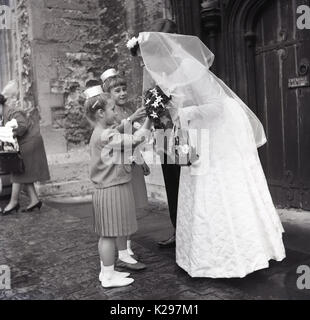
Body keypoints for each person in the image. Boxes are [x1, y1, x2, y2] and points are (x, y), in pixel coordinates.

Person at [133, 31, 286, 278]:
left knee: (219, 185)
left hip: (219, 133)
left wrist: (180, 112)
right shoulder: (164, 75)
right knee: (196, 182)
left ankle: (240, 253)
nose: (143, 64)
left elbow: (216, 107)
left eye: (145, 58)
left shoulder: (191, 68)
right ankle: (201, 253)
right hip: (198, 132)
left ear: (161, 52)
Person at [85, 85, 151, 288]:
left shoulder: (101, 131)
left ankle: (109, 272)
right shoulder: (106, 135)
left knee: (110, 233)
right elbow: (136, 138)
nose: (115, 113)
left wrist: (131, 121)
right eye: (112, 109)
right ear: (100, 113)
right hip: (111, 189)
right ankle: (107, 276)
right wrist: (150, 119)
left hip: (110, 187)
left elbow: (117, 130)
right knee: (108, 234)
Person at [101, 69, 150, 263]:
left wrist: (141, 159)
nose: (122, 93)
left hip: (132, 162)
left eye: (124, 89)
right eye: (117, 90)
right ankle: (123, 249)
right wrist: (132, 119)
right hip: (119, 165)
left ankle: (127, 246)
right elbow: (113, 134)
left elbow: (133, 139)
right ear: (108, 94)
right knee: (123, 208)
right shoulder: (109, 113)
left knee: (133, 207)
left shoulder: (129, 110)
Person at [143, 19, 180, 248]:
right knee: (172, 181)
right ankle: (178, 230)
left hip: (185, 131)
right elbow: (148, 99)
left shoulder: (183, 64)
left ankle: (193, 231)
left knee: (187, 181)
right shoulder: (150, 66)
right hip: (163, 133)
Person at [0, 80, 50, 215]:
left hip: (30, 142)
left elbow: (22, 126)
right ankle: (34, 200)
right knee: (23, 172)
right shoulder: (4, 113)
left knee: (18, 171)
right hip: (26, 142)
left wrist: (9, 132)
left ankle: (13, 202)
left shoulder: (12, 112)